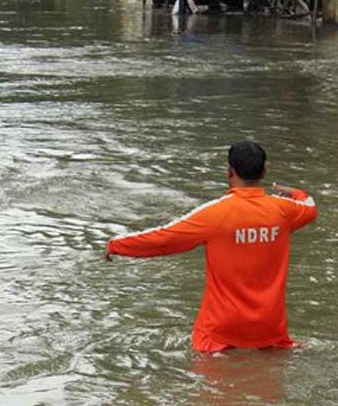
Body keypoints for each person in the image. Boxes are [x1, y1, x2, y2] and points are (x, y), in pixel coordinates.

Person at [105, 141, 318, 353]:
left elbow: (163, 238)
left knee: (211, 382)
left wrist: (117, 244)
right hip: (269, 327)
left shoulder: (215, 214)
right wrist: (296, 192)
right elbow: (310, 207)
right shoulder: (284, 211)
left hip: (220, 327)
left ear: (229, 171)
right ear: (264, 172)